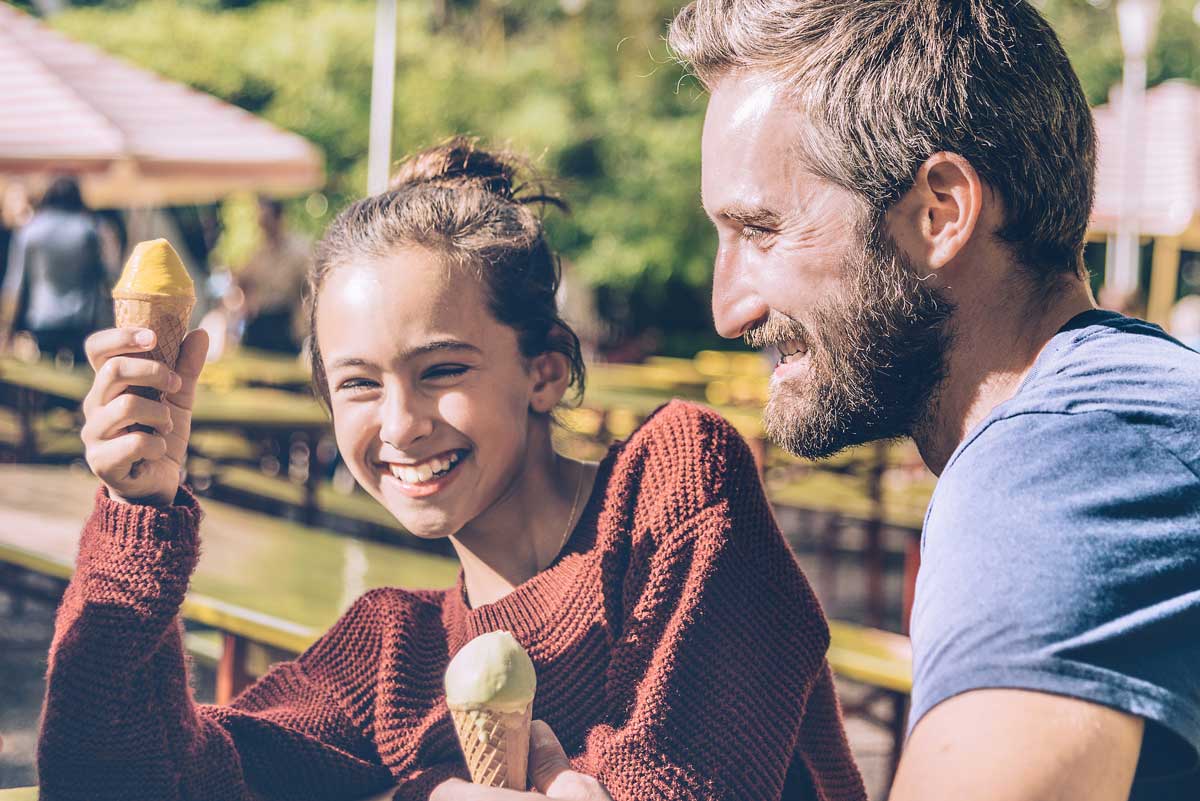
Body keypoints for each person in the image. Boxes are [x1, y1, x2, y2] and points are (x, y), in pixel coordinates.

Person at [39, 139, 866, 801]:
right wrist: (136, 505)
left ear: (543, 371)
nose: (399, 423)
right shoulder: (386, 656)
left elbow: (686, 783)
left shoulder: (673, 488)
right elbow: (117, 780)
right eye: (357, 383)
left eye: (442, 370)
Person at [667, 2, 1200, 801]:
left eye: (762, 228)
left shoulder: (1059, 466)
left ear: (940, 212)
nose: (727, 307)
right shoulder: (1125, 412)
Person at [1, 176, 111, 364]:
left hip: (42, 319)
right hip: (80, 321)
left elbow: (16, 283)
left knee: (43, 382)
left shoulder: (30, 230)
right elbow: (104, 278)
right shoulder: (90, 229)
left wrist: (8, 328)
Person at [236, 195, 313, 353]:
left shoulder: (298, 250)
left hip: (285, 323)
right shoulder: (258, 252)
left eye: (266, 220)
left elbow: (308, 287)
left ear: (278, 218)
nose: (263, 226)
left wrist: (302, 319)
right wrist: (248, 301)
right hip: (260, 321)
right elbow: (242, 279)